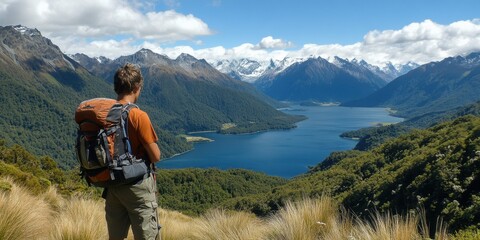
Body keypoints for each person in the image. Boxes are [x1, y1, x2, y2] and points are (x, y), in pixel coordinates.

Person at [105, 63, 161, 240]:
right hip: (137, 187)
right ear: (137, 87)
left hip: (112, 185)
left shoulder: (105, 114)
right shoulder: (138, 115)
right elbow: (155, 156)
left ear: (116, 87)